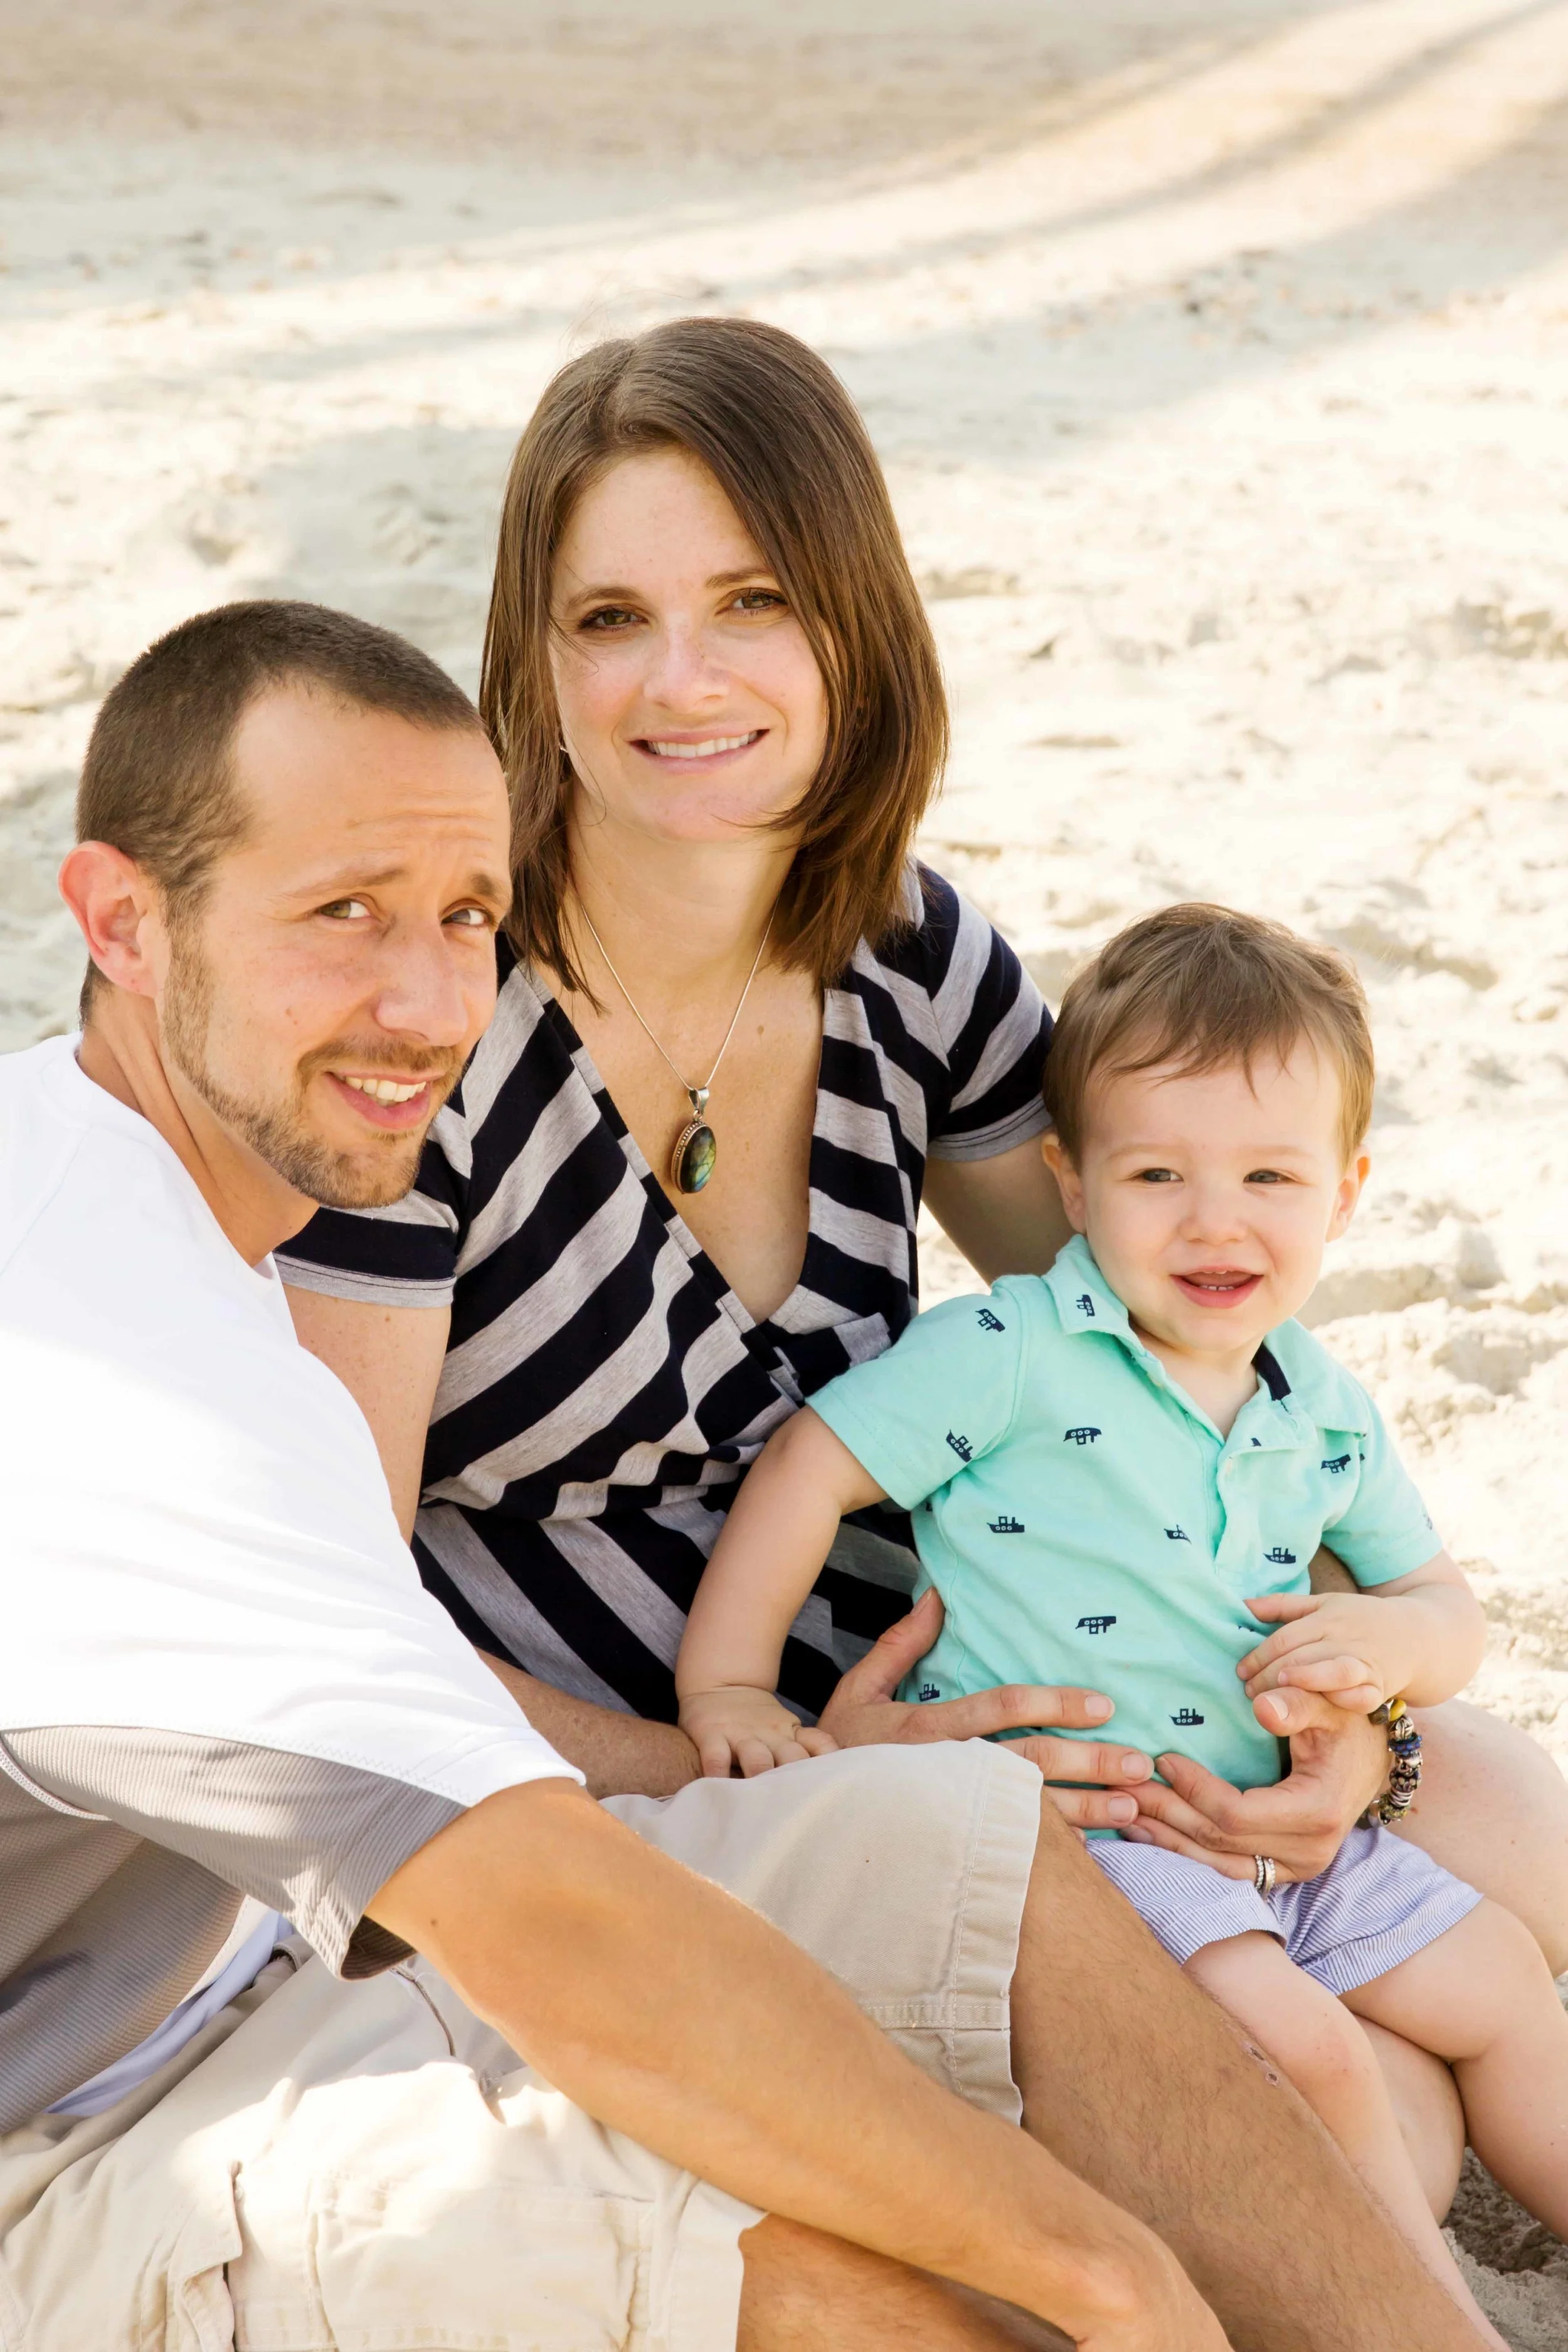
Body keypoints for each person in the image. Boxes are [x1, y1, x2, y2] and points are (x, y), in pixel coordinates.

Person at [0, 596, 1503, 2351]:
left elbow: (1162, 1385)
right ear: (120, 917)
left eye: (464, 914)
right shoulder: (94, 1337)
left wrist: (1370, 1705)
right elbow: (552, 1919)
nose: (426, 999)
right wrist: (1107, 2278)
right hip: (81, 2138)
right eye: (340, 913)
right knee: (784, 2263)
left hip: (302, 1954)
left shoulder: (225, 1192)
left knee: (964, 1829)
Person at [280, 315, 1568, 2222]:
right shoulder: (429, 1032)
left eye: (751, 600)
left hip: (1024, 1690)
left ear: (853, 626)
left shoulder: (902, 950)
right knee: (1345, 2103)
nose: (683, 677)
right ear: (530, 658)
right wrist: (761, 1771)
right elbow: (332, 1617)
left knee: (1507, 1861)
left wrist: (1341, 1737)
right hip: (639, 1787)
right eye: (609, 616)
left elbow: (1180, 1360)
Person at [673, 903, 1568, 2344]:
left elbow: (1437, 1606)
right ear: (1068, 1183)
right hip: (1104, 1842)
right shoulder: (1008, 1350)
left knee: (1503, 1987)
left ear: (1342, 1194)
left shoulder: (1317, 1402)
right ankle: (1429, 2321)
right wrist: (725, 1683)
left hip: (1283, 1825)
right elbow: (809, 1469)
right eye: (1157, 1173)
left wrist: (1387, 1660)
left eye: (1268, 1176)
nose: (1215, 1221)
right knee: (1315, 2061)